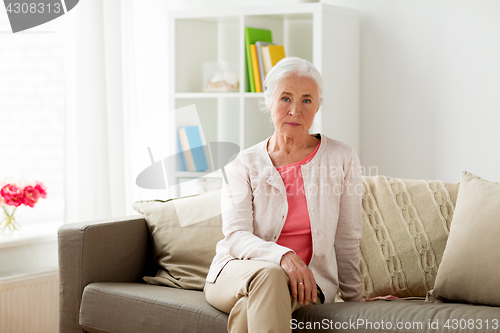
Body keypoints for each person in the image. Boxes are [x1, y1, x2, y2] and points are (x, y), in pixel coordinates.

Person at [204, 57, 363, 333]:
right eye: (285, 98)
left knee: (248, 309)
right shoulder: (242, 163)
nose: (295, 111)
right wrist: (284, 257)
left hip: (305, 285)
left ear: (318, 106)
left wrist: (357, 301)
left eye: (306, 100)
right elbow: (236, 236)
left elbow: (346, 238)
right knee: (270, 273)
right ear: (269, 101)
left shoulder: (341, 158)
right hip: (234, 273)